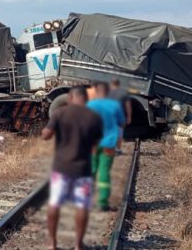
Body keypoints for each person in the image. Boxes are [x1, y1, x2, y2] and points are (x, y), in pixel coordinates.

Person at [42, 86, 103, 250]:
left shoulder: (59, 113)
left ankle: (52, 243)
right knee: (82, 206)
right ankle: (78, 245)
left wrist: (48, 131)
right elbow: (96, 146)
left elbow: (46, 135)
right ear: (86, 99)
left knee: (54, 204)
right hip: (83, 169)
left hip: (61, 168)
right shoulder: (94, 117)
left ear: (70, 97)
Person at [87, 82, 125, 211]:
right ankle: (102, 203)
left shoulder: (90, 105)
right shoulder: (114, 105)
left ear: (96, 92)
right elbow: (121, 123)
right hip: (108, 144)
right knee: (104, 171)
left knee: (91, 170)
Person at [108, 79, 132, 152]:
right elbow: (128, 106)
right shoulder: (124, 92)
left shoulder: (108, 92)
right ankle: (117, 149)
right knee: (119, 132)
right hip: (120, 115)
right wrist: (129, 116)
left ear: (111, 84)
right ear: (119, 84)